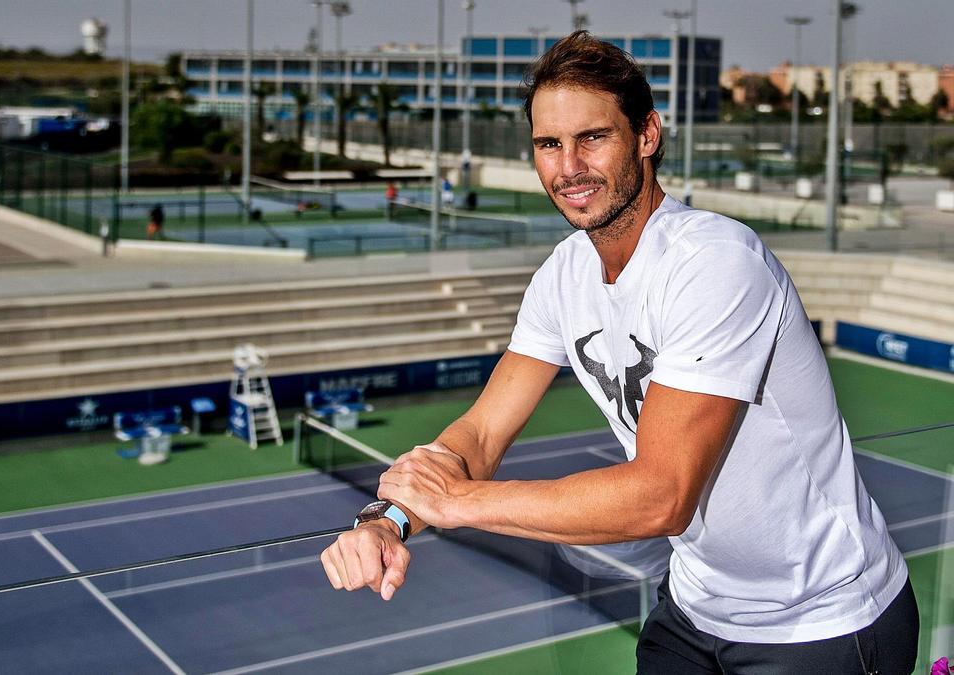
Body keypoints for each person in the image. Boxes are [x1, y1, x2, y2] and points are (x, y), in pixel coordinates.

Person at [320, 31, 918, 674]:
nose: (569, 166)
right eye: (549, 144)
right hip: (695, 609)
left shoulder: (715, 263)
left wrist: (457, 504)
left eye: (593, 137)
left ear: (647, 135)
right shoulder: (563, 274)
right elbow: (482, 431)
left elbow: (661, 495)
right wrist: (390, 519)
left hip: (822, 624)